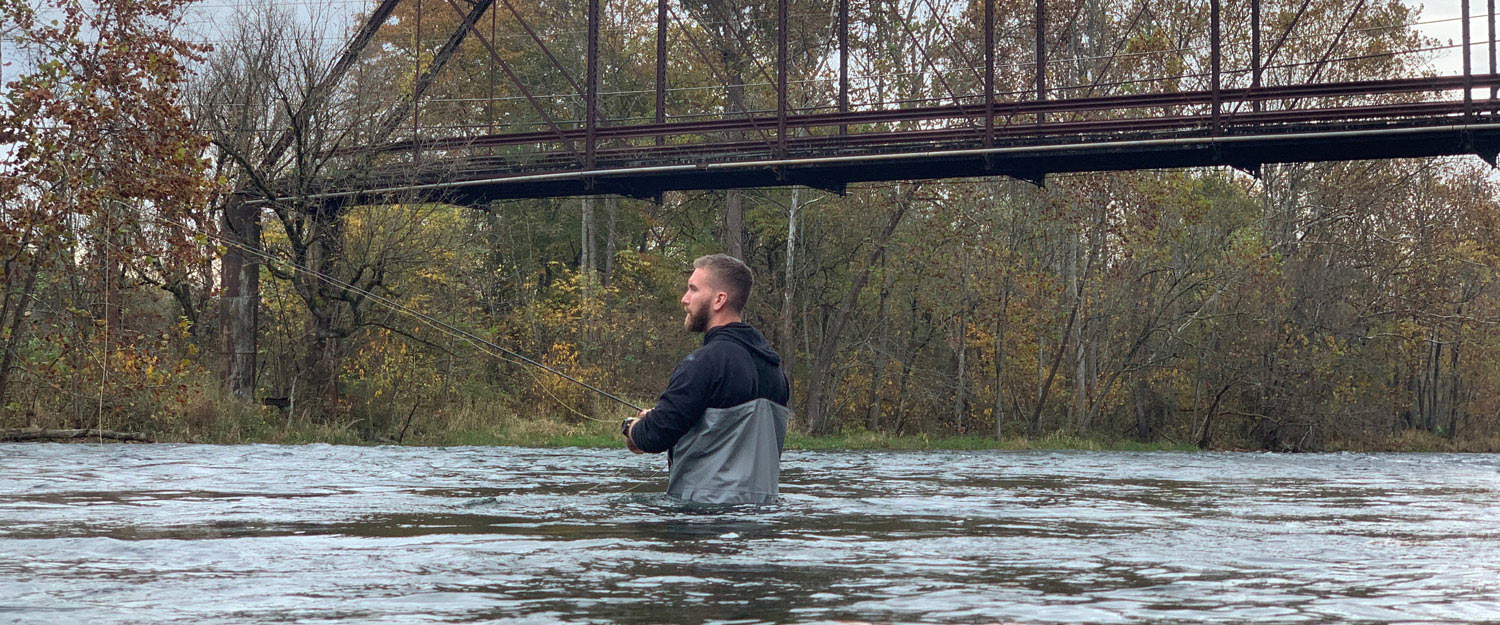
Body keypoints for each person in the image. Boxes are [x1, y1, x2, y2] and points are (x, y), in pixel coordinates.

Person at [622, 254, 791, 504]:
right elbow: (721, 432)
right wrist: (658, 418)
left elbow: (653, 436)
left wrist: (630, 427)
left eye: (693, 289)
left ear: (718, 300)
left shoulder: (704, 363)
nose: (684, 298)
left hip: (704, 517)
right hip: (763, 522)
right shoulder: (775, 370)